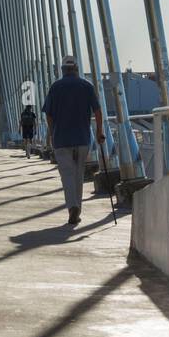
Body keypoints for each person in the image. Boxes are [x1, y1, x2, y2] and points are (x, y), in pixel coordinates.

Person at [41, 55, 104, 227]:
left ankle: (72, 207)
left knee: (67, 175)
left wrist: (52, 133)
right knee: (78, 175)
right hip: (82, 138)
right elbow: (98, 112)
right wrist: (99, 131)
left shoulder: (55, 87)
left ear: (62, 70)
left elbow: (48, 113)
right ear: (76, 68)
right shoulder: (86, 86)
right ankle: (77, 208)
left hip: (62, 138)